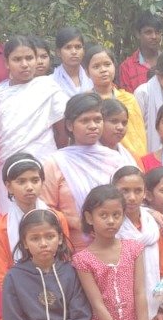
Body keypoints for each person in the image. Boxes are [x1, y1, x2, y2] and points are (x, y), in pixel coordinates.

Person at [74, 185, 163, 320]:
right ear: (89, 218)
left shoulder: (133, 248)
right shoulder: (83, 260)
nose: (111, 221)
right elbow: (97, 305)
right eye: (103, 215)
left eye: (116, 215)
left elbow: (140, 293)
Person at [0, 153, 71, 320]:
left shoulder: (57, 219)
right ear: (8, 186)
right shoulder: (1, 227)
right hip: (21, 297)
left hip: (58, 293)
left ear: (42, 182)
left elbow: (66, 261)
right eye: (21, 181)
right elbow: (4, 276)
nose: (29, 187)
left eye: (35, 180)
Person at [0, 36, 68, 212]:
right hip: (6, 166)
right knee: (8, 218)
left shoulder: (48, 87)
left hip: (43, 164)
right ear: (7, 63)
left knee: (44, 219)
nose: (25, 64)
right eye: (17, 59)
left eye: (29, 58)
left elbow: (62, 134)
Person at [41, 92, 129, 249]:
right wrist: (78, 222)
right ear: (69, 125)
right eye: (85, 120)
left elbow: (129, 199)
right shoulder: (55, 163)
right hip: (75, 248)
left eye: (98, 119)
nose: (93, 125)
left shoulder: (116, 159)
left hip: (117, 244)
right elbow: (47, 209)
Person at [113, 166, 163, 320]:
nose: (131, 197)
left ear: (145, 194)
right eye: (125, 191)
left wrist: (162, 308)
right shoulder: (111, 227)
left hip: (153, 305)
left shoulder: (155, 224)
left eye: (137, 191)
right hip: (121, 310)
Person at [84, 44, 146, 159]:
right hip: (95, 158)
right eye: (96, 66)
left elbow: (138, 136)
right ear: (87, 72)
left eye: (107, 64)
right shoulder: (85, 102)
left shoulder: (128, 99)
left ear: (114, 66)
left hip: (128, 158)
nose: (103, 70)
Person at [118, 11, 163, 92]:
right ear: (138, 34)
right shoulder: (127, 67)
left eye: (157, 32)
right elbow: (127, 101)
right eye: (148, 32)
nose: (154, 36)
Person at [51, 27, 92, 96]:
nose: (74, 52)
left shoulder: (92, 78)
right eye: (68, 47)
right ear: (58, 52)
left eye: (78, 47)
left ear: (83, 50)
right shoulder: (51, 82)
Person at [99, 98, 140, 167]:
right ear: (100, 122)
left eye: (124, 123)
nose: (121, 127)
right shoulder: (88, 156)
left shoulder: (132, 157)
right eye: (114, 121)